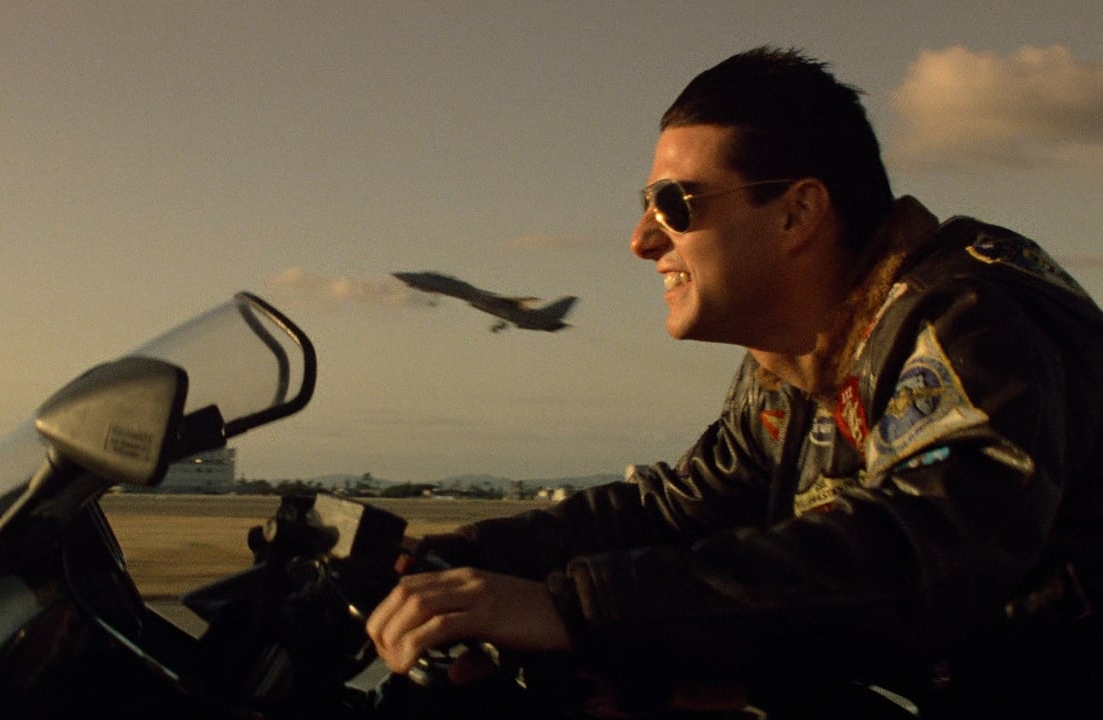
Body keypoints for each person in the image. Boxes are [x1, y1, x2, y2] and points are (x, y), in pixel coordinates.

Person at [365, 46, 1103, 718]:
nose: (642, 240)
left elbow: (927, 550)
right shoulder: (798, 363)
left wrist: (574, 609)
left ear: (798, 212)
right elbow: (678, 509)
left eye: (674, 205)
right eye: (645, 206)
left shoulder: (970, 321)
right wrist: (458, 561)